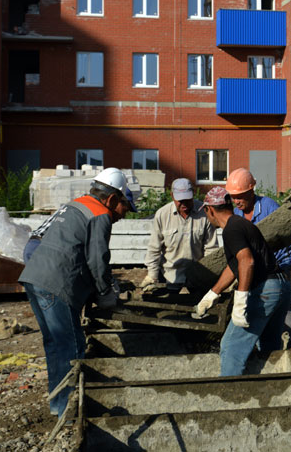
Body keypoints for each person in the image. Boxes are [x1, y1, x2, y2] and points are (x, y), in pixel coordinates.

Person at [18, 167, 135, 416]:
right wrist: (105, 293)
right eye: (123, 209)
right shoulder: (100, 214)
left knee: (54, 344)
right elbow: (97, 259)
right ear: (113, 199)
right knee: (72, 347)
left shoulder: (74, 205)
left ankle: (58, 405)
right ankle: (69, 412)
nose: (121, 216)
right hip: (56, 284)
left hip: (33, 277)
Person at [194, 186, 291, 376]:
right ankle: (270, 391)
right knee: (269, 347)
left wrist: (241, 300)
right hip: (281, 286)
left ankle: (231, 398)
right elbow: (234, 266)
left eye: (206, 212)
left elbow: (246, 261)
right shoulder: (241, 224)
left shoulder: (232, 229)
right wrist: (212, 293)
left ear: (210, 210)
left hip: (265, 289)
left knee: (231, 347)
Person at [225, 167, 291, 347]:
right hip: (256, 267)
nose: (237, 201)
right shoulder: (236, 214)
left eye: (240, 196)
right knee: (257, 307)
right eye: (233, 197)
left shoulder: (269, 207)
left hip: (280, 265)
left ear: (251, 191)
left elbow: (283, 238)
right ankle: (263, 348)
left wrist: (282, 272)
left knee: (282, 307)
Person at [140, 178, 219, 290]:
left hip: (197, 275)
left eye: (187, 199)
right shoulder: (162, 215)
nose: (184, 203)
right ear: (172, 196)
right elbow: (154, 248)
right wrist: (152, 276)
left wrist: (208, 275)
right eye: (180, 200)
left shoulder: (204, 213)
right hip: (170, 274)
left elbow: (211, 248)